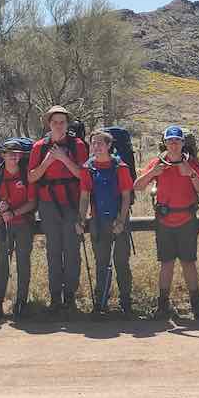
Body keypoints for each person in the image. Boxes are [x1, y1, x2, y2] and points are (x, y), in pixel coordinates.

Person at [135, 125, 199, 320]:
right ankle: (163, 306)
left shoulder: (191, 163)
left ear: (183, 142)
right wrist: (153, 173)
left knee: (188, 263)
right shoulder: (158, 163)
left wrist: (190, 173)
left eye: (177, 141)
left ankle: (196, 305)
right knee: (166, 264)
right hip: (165, 220)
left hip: (187, 220)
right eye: (170, 141)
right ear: (165, 143)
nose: (174, 144)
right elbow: (137, 186)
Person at [28, 105, 90, 317]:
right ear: (48, 123)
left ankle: (70, 298)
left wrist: (64, 159)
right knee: (53, 251)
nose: (58, 125)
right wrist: (48, 162)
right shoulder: (39, 147)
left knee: (72, 251)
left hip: (72, 203)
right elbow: (32, 177)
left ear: (67, 124)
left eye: (62, 122)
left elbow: (84, 175)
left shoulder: (78, 145)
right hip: (48, 204)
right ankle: (55, 298)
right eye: (54, 122)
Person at [81, 131, 135, 320]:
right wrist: (81, 218)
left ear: (108, 145)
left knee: (121, 262)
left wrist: (121, 220)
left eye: (100, 143)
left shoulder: (120, 167)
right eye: (93, 143)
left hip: (118, 219)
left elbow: (127, 196)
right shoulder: (88, 168)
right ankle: (100, 302)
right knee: (101, 263)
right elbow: (85, 196)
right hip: (98, 221)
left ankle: (126, 302)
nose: (96, 147)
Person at [0, 139, 37, 321]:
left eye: (17, 154)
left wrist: (13, 212)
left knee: (23, 264)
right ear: (3, 155)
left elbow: (32, 203)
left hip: (23, 224)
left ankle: (21, 302)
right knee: (2, 264)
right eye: (10, 153)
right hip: (4, 225)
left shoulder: (26, 175)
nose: (14, 157)